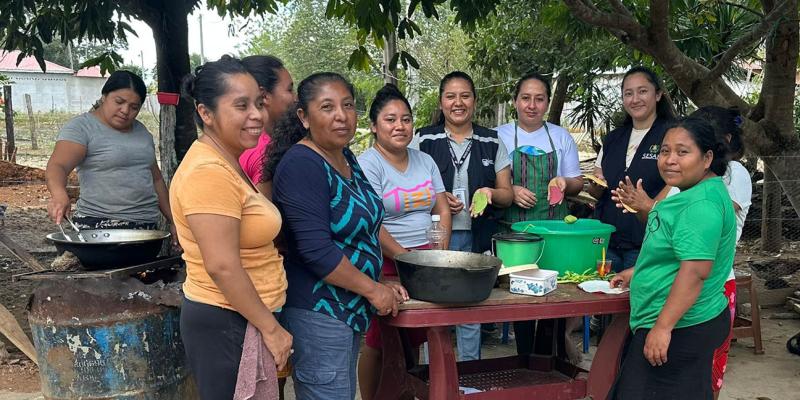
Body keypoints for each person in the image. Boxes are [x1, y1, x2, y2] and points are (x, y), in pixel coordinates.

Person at [267, 72, 400, 400]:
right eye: (327, 107)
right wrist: (373, 289)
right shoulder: (302, 164)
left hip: (347, 308)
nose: (341, 115)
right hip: (319, 312)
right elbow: (317, 251)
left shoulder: (345, 157)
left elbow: (366, 223)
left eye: (348, 105)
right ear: (304, 116)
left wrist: (390, 274)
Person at [170, 56, 291, 399]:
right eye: (241, 105)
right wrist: (272, 329)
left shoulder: (227, 162)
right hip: (226, 321)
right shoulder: (208, 172)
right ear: (206, 113)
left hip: (243, 318)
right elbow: (222, 265)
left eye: (258, 103)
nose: (257, 115)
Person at [614, 106, 751, 398]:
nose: (670, 160)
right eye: (665, 151)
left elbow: (695, 272)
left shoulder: (700, 205)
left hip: (681, 326)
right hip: (683, 321)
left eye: (682, 152)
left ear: (707, 158)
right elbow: (680, 254)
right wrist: (640, 272)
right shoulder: (698, 192)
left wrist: (663, 328)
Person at [356, 84, 451, 400]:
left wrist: (440, 252)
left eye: (406, 119)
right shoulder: (368, 163)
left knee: (418, 334)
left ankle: (410, 393)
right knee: (379, 339)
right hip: (385, 261)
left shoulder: (424, 160)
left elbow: (441, 207)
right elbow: (372, 220)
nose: (400, 126)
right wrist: (404, 257)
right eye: (390, 119)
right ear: (374, 125)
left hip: (426, 258)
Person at [411, 71, 513, 361]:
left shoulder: (491, 141)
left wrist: (491, 193)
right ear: (441, 101)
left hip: (476, 236)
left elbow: (507, 193)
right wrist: (437, 199)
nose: (458, 102)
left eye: (465, 95)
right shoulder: (423, 138)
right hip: (433, 237)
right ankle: (435, 375)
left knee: (471, 309)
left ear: (475, 101)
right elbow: (408, 185)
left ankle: (469, 375)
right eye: (451, 96)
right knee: (433, 307)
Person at [45, 70, 176, 240]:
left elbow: (156, 180)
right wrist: (59, 194)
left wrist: (174, 220)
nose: (125, 110)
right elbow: (58, 166)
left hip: (146, 228)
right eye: (119, 102)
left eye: (134, 107)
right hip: (98, 226)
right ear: (104, 96)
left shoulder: (142, 132)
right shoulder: (82, 128)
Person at [588, 66, 675, 272]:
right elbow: (596, 191)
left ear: (658, 95)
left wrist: (651, 205)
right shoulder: (613, 139)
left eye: (642, 91)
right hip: (607, 242)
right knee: (604, 299)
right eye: (628, 93)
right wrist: (596, 184)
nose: (635, 99)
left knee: (642, 301)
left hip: (648, 243)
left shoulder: (673, 134)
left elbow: (678, 183)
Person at [238, 55, 296, 191]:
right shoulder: (265, 155)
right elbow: (265, 212)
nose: (295, 98)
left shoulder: (240, 143)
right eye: (289, 90)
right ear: (264, 97)